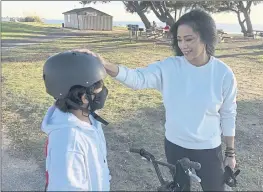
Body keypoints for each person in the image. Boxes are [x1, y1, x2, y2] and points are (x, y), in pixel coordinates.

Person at [76, 8, 238, 191]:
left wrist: (230, 152)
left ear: (206, 37)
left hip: (209, 149)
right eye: (179, 40)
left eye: (189, 39)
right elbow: (138, 78)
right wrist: (105, 65)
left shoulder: (223, 74)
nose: (183, 45)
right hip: (175, 146)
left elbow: (228, 114)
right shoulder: (169, 67)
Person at [41, 51, 111, 191]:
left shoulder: (89, 119)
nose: (104, 91)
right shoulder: (69, 142)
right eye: (99, 88)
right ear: (84, 97)